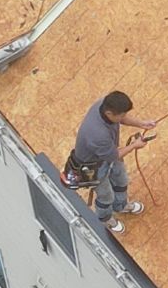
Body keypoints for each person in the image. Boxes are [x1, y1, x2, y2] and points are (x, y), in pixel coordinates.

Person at [67, 90, 156, 224]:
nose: (124, 117)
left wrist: (141, 123)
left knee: (121, 180)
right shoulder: (98, 135)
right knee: (106, 196)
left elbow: (122, 118)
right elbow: (114, 156)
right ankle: (106, 218)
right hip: (92, 167)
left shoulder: (104, 104)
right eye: (121, 115)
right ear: (109, 113)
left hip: (108, 153)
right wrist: (134, 146)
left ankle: (121, 206)